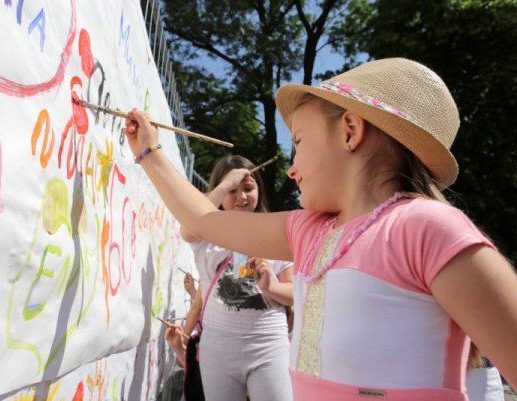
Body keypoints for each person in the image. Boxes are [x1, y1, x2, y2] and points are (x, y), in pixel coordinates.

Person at [124, 58, 517, 401]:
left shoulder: (426, 228)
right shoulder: (308, 230)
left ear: (350, 130)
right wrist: (148, 152)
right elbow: (203, 222)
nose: (291, 168)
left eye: (297, 142)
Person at [176, 155, 294, 401]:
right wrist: (223, 185)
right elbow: (188, 227)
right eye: (233, 190)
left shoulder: (276, 231)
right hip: (217, 347)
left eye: (248, 189)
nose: (241, 197)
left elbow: (296, 292)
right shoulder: (206, 234)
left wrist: (271, 285)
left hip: (269, 344)